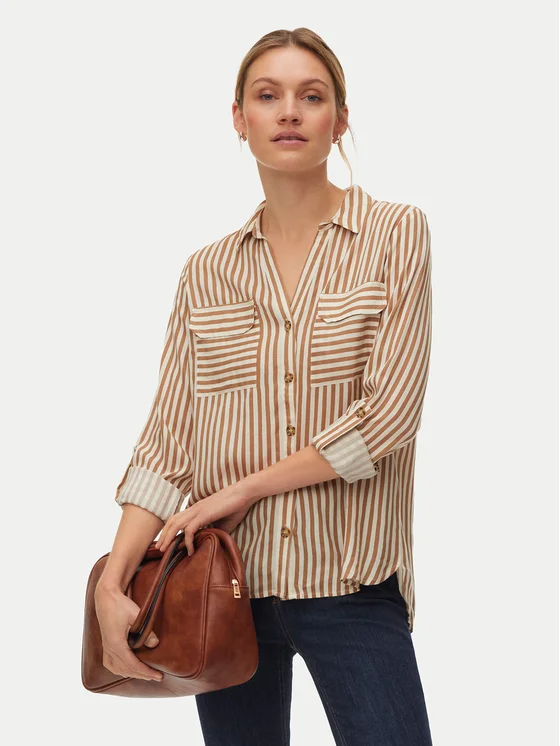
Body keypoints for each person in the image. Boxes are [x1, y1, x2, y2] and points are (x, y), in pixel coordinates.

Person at [94, 26, 434, 746]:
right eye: (267, 95)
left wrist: (241, 490)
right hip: (222, 593)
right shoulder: (207, 272)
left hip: (350, 585)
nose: (288, 112)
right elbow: (167, 443)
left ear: (339, 120)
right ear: (238, 117)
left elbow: (389, 417)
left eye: (311, 97)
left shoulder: (396, 235)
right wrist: (111, 580)